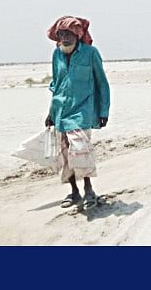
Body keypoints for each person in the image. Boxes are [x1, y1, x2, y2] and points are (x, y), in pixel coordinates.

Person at [44, 16, 110, 210]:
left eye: (68, 34)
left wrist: (103, 110)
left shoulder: (90, 54)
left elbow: (102, 83)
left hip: (83, 110)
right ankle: (74, 191)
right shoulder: (57, 55)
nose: (64, 38)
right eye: (61, 34)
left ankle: (89, 190)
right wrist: (50, 112)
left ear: (78, 35)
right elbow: (56, 86)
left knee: (80, 149)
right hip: (61, 111)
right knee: (65, 152)